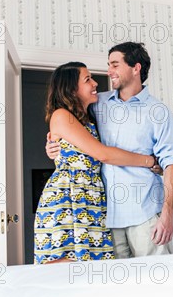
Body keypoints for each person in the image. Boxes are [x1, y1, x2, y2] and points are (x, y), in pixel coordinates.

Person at [46, 42, 173, 258]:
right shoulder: (97, 103)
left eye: (115, 65)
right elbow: (82, 138)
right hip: (105, 218)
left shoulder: (158, 112)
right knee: (115, 288)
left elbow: (172, 163)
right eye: (108, 65)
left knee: (157, 283)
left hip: (146, 214)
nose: (109, 72)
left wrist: (168, 214)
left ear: (135, 68)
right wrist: (54, 145)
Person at [34, 61, 158, 264]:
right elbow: (103, 154)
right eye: (87, 79)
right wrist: (148, 160)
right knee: (63, 273)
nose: (95, 84)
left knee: (92, 273)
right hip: (67, 199)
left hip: (91, 200)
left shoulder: (89, 119)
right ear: (71, 89)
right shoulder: (61, 115)